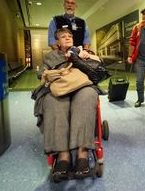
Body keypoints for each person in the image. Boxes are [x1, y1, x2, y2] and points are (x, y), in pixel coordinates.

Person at [35, 28, 100, 182]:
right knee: (52, 101)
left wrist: (87, 56)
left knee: (87, 96)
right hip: (60, 87)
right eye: (63, 36)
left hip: (81, 85)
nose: (67, 38)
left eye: (70, 36)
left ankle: (82, 153)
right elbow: (40, 73)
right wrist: (48, 73)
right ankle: (63, 154)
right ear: (57, 42)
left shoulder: (81, 51)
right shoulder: (51, 56)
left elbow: (100, 64)